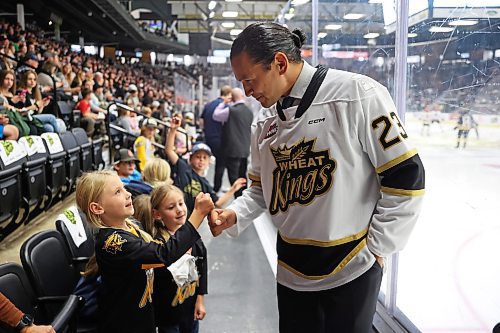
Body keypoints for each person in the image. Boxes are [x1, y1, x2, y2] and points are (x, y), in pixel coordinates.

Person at [208, 22, 425, 333]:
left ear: (280, 63)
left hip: (352, 267)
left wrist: (378, 246)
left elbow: (406, 174)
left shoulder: (357, 94)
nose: (247, 91)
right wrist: (234, 213)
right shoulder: (263, 122)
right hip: (291, 269)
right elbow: (259, 189)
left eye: (249, 80)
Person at [75, 170, 214, 333]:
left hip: (142, 318)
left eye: (124, 188)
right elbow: (162, 255)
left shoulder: (131, 227)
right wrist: (197, 214)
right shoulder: (113, 243)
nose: (127, 194)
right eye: (117, 192)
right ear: (97, 208)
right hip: (125, 325)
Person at [137, 184, 208, 333]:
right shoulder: (158, 245)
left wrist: (200, 299)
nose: (179, 209)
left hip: (190, 311)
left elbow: (202, 267)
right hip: (167, 316)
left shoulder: (194, 239)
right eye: (171, 207)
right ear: (157, 214)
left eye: (181, 203)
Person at [165, 115, 246, 214]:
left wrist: (233, 189)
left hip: (185, 217)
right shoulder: (183, 167)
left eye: (204, 158)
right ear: (190, 159)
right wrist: (173, 130)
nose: (201, 160)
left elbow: (218, 203)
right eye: (198, 157)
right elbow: (169, 151)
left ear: (209, 162)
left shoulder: (205, 184)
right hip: (171, 210)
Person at [213, 87, 254, 198]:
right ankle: (245, 196)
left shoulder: (230, 111)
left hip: (232, 149)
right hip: (245, 149)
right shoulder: (249, 111)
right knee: (243, 175)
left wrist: (223, 103)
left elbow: (215, 115)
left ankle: (238, 197)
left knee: (233, 176)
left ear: (232, 98)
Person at [200, 85, 232, 192]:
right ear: (228, 95)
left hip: (208, 138)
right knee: (220, 164)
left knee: (204, 162)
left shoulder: (208, 105)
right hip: (219, 139)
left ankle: (202, 185)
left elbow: (201, 121)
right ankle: (216, 188)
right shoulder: (224, 107)